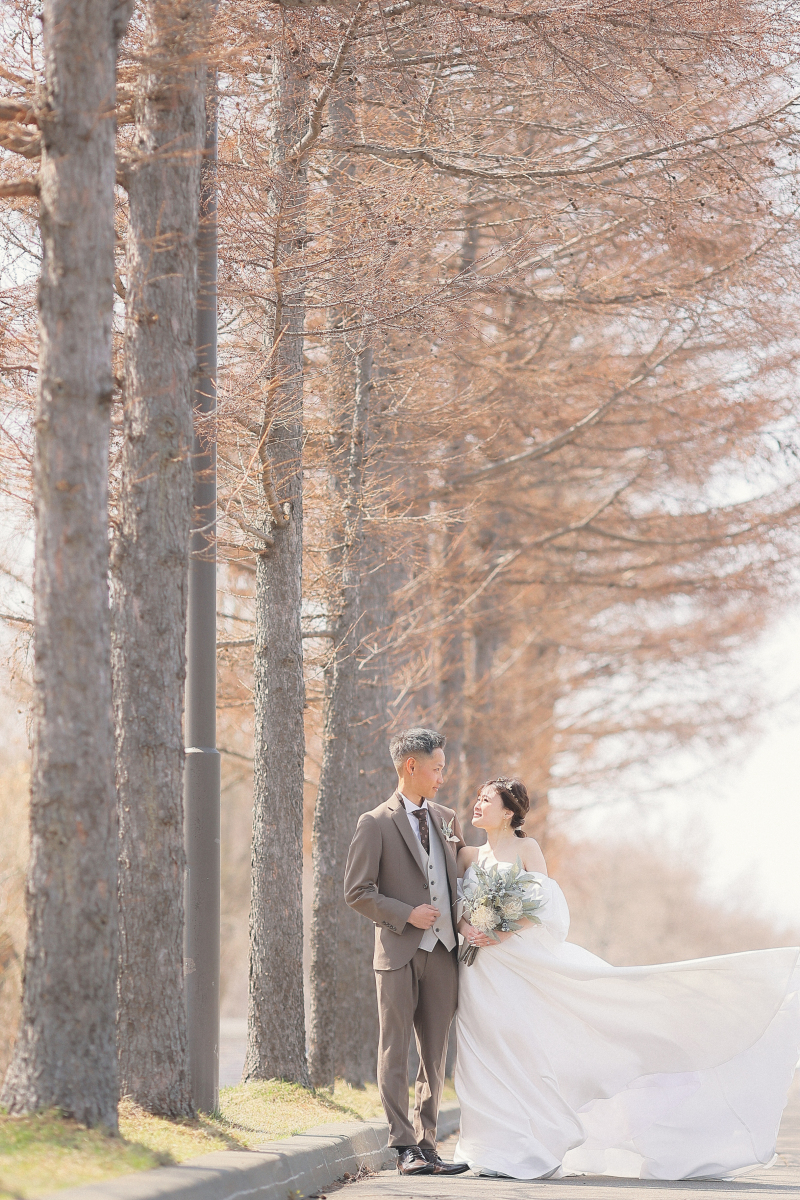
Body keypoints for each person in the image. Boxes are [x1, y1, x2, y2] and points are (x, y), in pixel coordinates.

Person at [454, 777, 800, 1180]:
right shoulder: (467, 857)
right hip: (478, 971)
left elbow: (543, 906)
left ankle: (527, 1149)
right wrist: (469, 929)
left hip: (520, 967)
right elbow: (455, 906)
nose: (476, 804)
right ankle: (488, 1149)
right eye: (477, 798)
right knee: (481, 1056)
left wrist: (501, 931)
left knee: (523, 1053)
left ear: (508, 811)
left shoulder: (527, 849)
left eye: (485, 799)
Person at [344, 727, 470, 1177]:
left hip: (443, 953)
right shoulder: (374, 822)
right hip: (398, 951)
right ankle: (404, 1148)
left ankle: (429, 1144)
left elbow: (460, 881)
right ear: (411, 766)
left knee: (435, 1054)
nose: (442, 777)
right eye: (436, 769)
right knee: (395, 1049)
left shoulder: (447, 818)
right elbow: (357, 892)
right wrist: (406, 913)